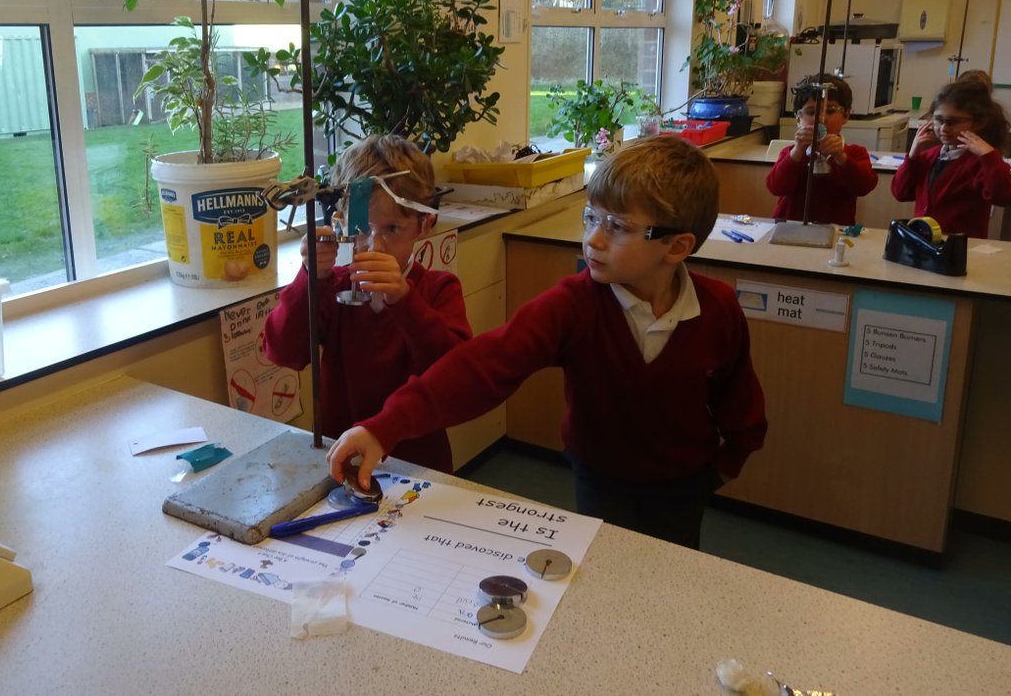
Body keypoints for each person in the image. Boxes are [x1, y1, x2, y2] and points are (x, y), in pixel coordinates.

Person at [327, 137, 767, 550]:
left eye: (616, 226)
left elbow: (739, 395)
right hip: (599, 476)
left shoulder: (718, 307)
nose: (593, 239)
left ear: (677, 246)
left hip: (684, 481)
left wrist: (726, 465)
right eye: (590, 218)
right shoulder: (573, 304)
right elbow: (482, 366)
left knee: (670, 573)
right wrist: (384, 427)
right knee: (601, 566)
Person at [261, 134, 471, 472]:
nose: (374, 245)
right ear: (341, 221)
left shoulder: (439, 290)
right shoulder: (334, 288)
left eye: (391, 228)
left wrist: (404, 299)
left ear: (423, 224)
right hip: (341, 458)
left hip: (418, 466)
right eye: (360, 229)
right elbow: (283, 351)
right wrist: (310, 278)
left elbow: (457, 378)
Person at [891, 78, 1011, 239]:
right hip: (925, 244)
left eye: (953, 122)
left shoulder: (980, 161)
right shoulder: (929, 156)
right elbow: (900, 193)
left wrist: (989, 156)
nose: (944, 128)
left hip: (961, 249)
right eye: (938, 120)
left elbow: (1002, 196)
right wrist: (912, 157)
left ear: (979, 123)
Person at [766, 73, 877, 224]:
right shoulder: (791, 152)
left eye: (830, 111)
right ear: (798, 119)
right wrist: (797, 152)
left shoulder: (854, 153)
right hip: (790, 227)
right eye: (811, 112)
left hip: (835, 231)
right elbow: (775, 187)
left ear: (845, 115)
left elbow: (864, 186)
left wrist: (841, 158)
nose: (821, 118)